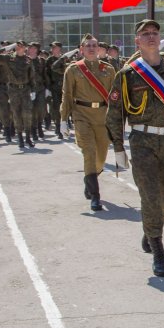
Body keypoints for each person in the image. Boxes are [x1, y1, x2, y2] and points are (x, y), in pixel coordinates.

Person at [105, 19, 164, 277]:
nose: (151, 37)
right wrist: (118, 148)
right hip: (142, 142)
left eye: (155, 33)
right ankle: (159, 251)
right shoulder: (128, 74)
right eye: (145, 34)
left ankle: (150, 229)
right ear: (137, 41)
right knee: (151, 197)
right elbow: (115, 113)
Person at [60, 35, 115, 211]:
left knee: (101, 157)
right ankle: (95, 195)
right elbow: (67, 95)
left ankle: (89, 179)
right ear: (81, 49)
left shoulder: (108, 69)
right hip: (81, 115)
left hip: (102, 116)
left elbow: (115, 96)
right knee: (89, 151)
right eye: (88, 45)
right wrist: (63, 119)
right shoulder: (74, 70)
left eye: (94, 45)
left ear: (98, 48)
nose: (91, 48)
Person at [0, 40, 35, 149]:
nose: (19, 48)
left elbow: (32, 76)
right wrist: (9, 47)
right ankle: (20, 138)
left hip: (25, 89)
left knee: (27, 114)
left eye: (21, 46)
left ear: (25, 48)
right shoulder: (9, 58)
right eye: (17, 46)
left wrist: (33, 90)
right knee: (16, 114)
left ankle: (28, 138)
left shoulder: (28, 60)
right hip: (13, 90)